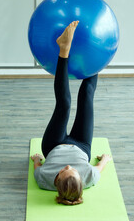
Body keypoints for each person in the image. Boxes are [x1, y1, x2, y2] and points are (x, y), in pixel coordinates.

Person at [31, 21, 112, 205]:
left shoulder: (44, 180)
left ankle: (64, 49)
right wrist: (105, 159)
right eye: (73, 169)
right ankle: (95, 52)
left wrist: (37, 159)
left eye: (62, 170)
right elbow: (100, 166)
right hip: (82, 146)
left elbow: (37, 168)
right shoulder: (90, 177)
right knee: (86, 97)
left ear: (56, 181)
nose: (67, 166)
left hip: (53, 145)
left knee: (64, 105)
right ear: (81, 179)